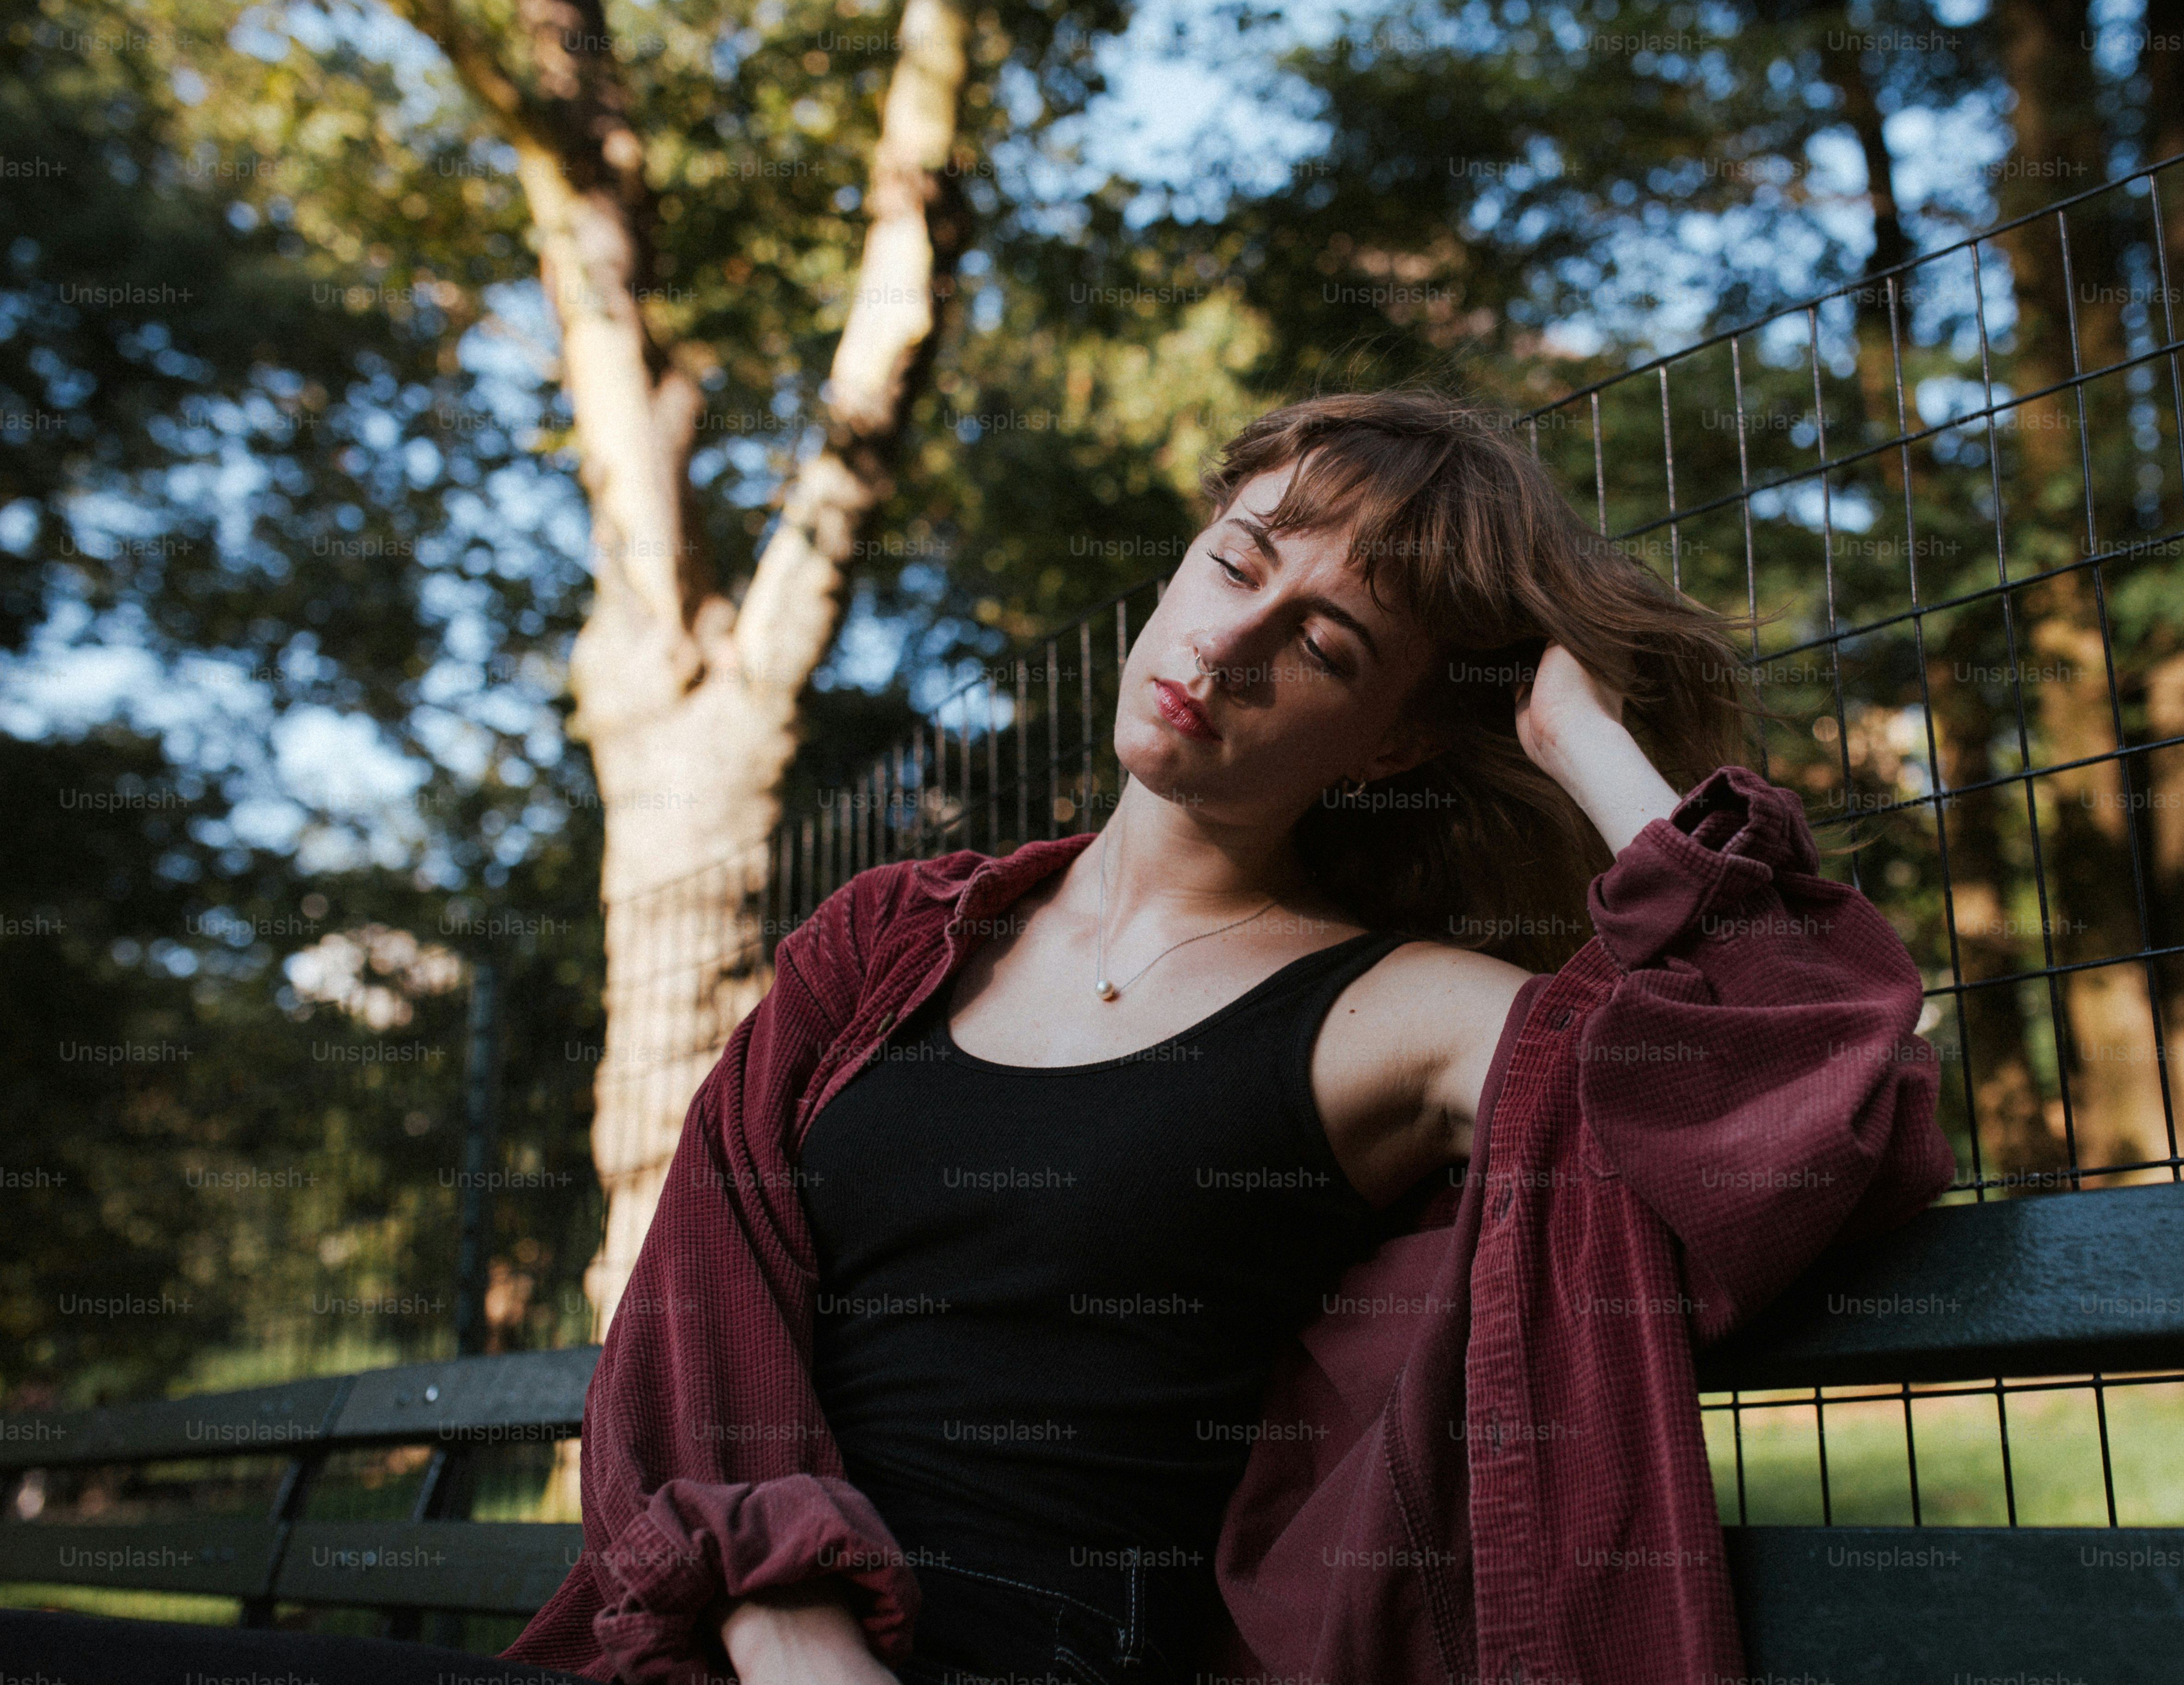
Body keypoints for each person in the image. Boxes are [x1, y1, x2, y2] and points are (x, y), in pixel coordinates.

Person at [502, 388, 1956, 1685]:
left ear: (1390, 744)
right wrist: (785, 1618)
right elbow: (699, 1304)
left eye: (1322, 643)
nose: (1231, 641)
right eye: (1236, 565)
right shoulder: (889, 941)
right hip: (743, 1638)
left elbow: (1814, 1101)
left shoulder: (1408, 1017)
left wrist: (1585, 740)